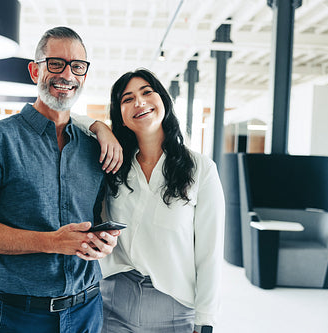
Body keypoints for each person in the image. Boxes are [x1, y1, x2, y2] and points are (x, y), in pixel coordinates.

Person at [0, 26, 123, 333]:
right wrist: (51, 242)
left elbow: (94, 219)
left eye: (76, 67)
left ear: (83, 76)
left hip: (88, 310)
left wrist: (101, 242)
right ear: (34, 70)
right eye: (56, 64)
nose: (66, 75)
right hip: (21, 316)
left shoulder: (95, 147)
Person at [82, 69, 225, 333]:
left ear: (164, 102)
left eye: (147, 92)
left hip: (174, 306)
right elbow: (68, 120)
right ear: (121, 117)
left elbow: (210, 253)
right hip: (113, 300)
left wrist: (205, 321)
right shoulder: (114, 165)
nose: (139, 102)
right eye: (127, 99)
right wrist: (98, 126)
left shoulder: (201, 168)